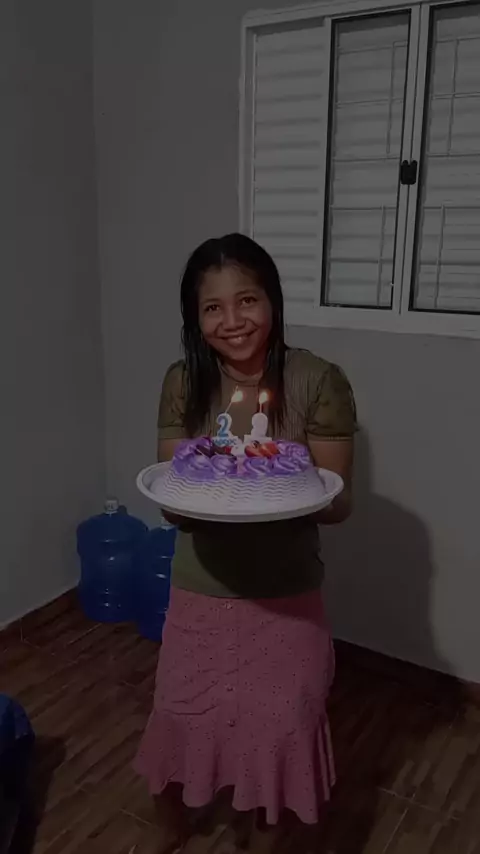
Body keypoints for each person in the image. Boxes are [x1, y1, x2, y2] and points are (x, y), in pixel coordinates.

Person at [134, 233, 356, 852]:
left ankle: (266, 835)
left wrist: (275, 491)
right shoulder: (184, 382)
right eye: (213, 307)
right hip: (200, 588)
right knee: (180, 715)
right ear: (195, 318)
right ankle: (170, 830)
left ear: (273, 301)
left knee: (281, 729)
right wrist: (216, 490)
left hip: (285, 594)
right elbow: (173, 501)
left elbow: (338, 504)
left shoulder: (319, 380)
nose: (232, 321)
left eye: (247, 300)